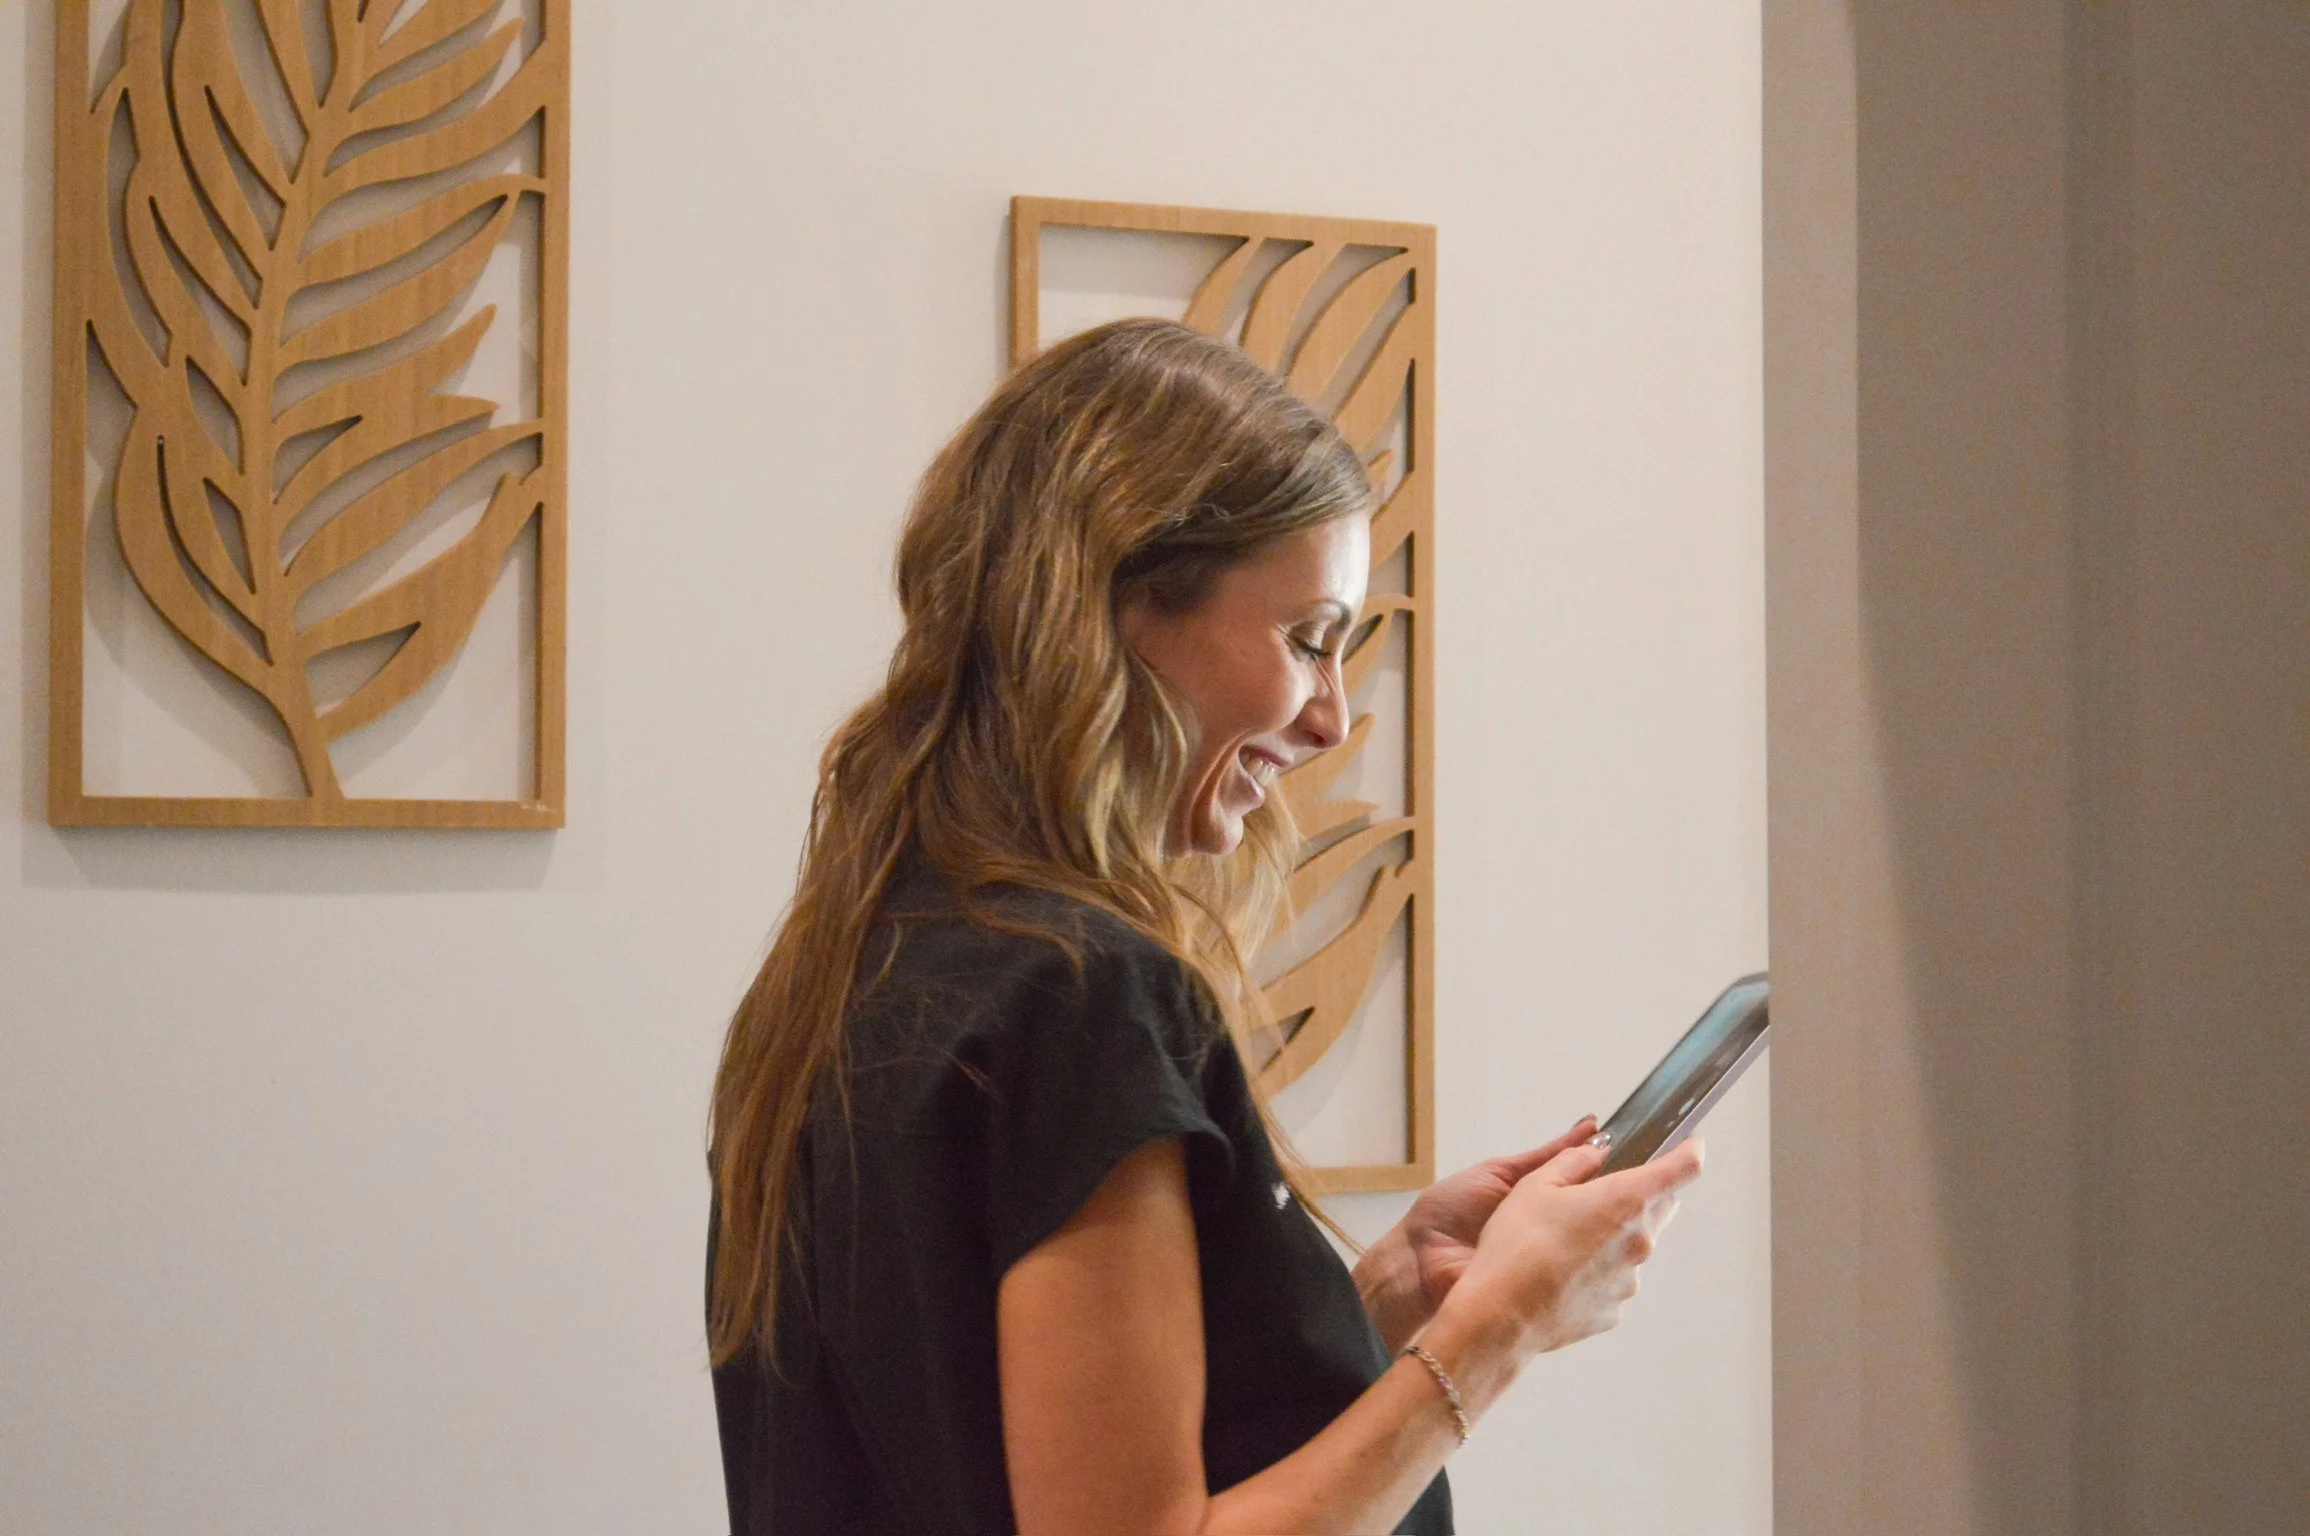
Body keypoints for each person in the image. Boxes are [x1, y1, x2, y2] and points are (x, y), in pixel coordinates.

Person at [706, 317, 1703, 1534]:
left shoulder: (868, 960)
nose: (1334, 719)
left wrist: (1375, 1305)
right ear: (1125, 610)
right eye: (1308, 640)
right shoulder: (1081, 996)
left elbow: (988, 1431)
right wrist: (1499, 1331)